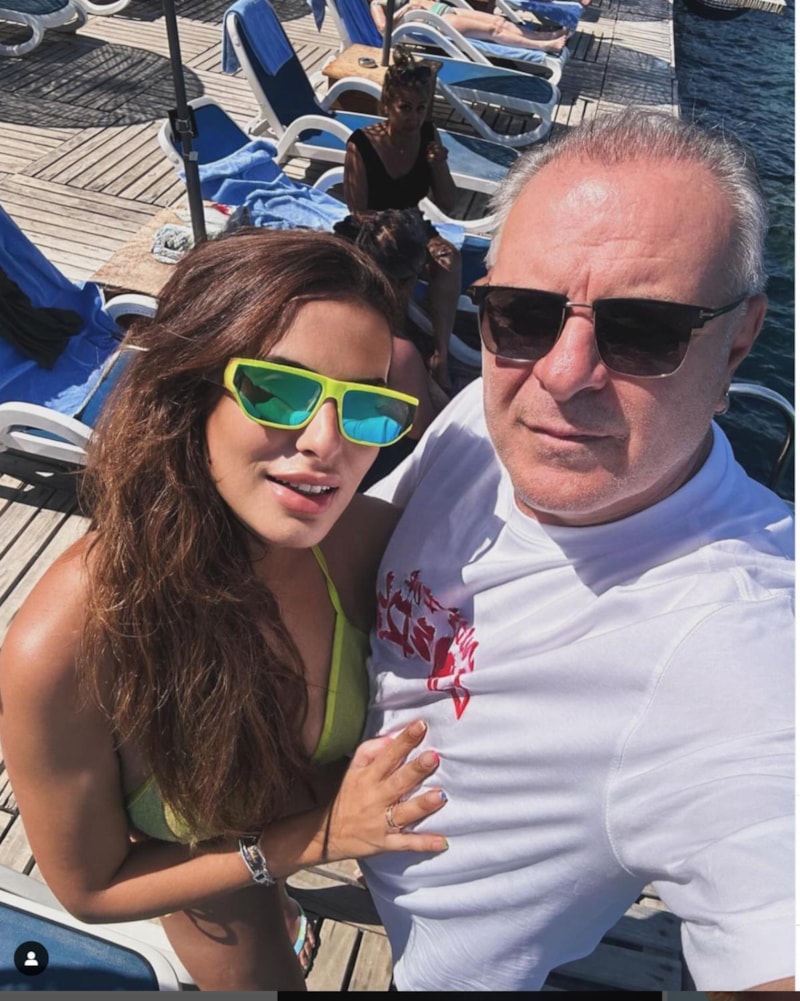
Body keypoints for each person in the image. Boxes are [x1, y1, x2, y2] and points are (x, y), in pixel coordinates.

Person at [359, 109, 794, 991]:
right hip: (322, 816)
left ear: (738, 343)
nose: (561, 374)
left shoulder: (735, 652)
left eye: (642, 331)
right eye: (522, 315)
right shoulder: (482, 419)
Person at [0, 229, 449, 992]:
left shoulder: (365, 545)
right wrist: (314, 839)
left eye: (369, 409)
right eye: (279, 390)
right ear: (190, 389)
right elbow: (92, 887)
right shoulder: (70, 642)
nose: (326, 443)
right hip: (207, 874)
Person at [344, 48, 462, 392]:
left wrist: (439, 166)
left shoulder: (428, 137)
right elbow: (357, 210)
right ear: (387, 105)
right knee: (397, 274)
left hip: (413, 224)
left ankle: (440, 355)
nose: (413, 117)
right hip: (371, 230)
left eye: (420, 108)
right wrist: (397, 236)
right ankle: (392, 350)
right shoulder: (361, 144)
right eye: (405, 108)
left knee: (449, 259)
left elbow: (449, 203)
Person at [333, 208, 451, 488]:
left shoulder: (327, 318)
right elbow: (426, 432)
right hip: (370, 479)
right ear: (411, 280)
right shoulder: (396, 353)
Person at [369, 0, 571, 52]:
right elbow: (383, 29)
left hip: (444, 9)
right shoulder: (376, 4)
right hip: (435, 22)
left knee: (499, 21)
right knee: (493, 31)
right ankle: (543, 46)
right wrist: (407, 8)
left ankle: (545, 36)